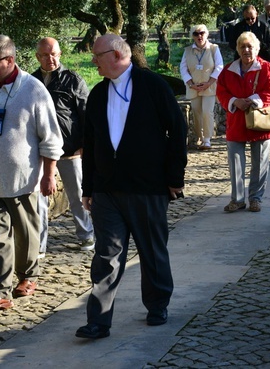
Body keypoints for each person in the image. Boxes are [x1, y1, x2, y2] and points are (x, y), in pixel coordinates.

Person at [75, 34, 187, 340]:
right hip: (107, 189)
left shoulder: (152, 85)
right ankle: (98, 321)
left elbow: (177, 130)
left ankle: (157, 304)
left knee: (152, 250)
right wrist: (88, 187)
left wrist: (174, 177)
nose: (93, 61)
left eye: (97, 55)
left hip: (147, 186)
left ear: (117, 55)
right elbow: (91, 142)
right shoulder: (98, 94)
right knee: (106, 255)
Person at [0, 35, 63, 312]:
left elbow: (51, 139)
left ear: (10, 60)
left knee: (26, 234)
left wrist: (49, 175)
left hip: (23, 181)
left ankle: (29, 275)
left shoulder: (33, 90)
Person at [32, 37, 95, 253]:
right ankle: (39, 245)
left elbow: (87, 114)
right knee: (39, 198)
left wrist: (84, 144)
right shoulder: (31, 82)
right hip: (39, 150)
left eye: (54, 54)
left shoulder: (73, 80)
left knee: (77, 194)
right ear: (37, 56)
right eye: (45, 55)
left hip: (70, 149)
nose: (50, 58)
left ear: (60, 54)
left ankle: (86, 236)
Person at [216, 32, 270, 214]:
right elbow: (221, 91)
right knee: (235, 161)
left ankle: (255, 198)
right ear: (238, 49)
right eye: (243, 47)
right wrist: (234, 101)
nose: (246, 50)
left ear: (257, 49)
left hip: (260, 120)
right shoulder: (228, 70)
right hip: (236, 120)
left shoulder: (266, 68)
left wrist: (252, 101)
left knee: (259, 162)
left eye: (250, 46)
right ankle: (237, 199)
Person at [179, 25, 224, 150]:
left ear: (206, 34)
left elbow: (219, 66)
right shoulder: (187, 50)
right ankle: (199, 137)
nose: (199, 36)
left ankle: (207, 139)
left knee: (207, 111)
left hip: (209, 86)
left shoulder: (214, 49)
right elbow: (183, 68)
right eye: (196, 34)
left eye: (202, 33)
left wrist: (209, 83)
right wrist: (190, 84)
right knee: (196, 112)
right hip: (193, 87)